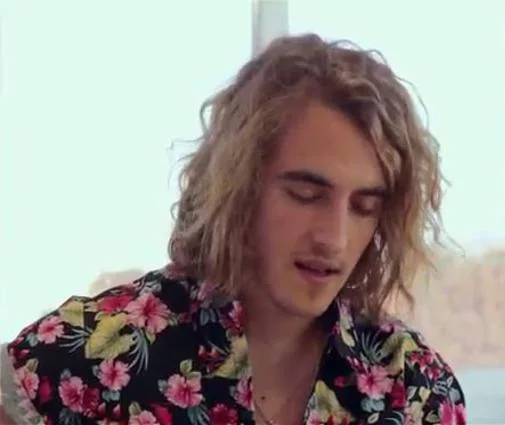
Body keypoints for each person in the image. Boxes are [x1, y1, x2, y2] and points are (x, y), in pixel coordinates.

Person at [3, 33, 466, 425]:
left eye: (364, 207)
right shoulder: (84, 359)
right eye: (305, 195)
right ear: (239, 186)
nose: (334, 238)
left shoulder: (414, 388)